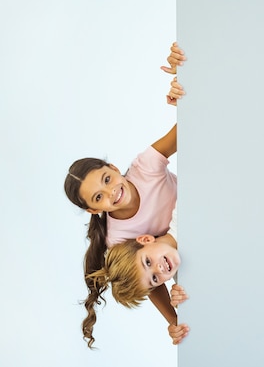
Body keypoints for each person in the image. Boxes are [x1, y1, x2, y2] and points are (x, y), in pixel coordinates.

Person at [64, 42, 189, 348]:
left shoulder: (145, 166)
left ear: (115, 168)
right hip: (182, 245)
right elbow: (147, 281)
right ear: (96, 211)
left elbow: (186, 129)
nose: (111, 193)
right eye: (98, 199)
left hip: (193, 210)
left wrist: (183, 89)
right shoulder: (117, 239)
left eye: (106, 179)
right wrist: (174, 321)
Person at [86, 204, 189, 339]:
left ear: (145, 240)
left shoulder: (182, 214)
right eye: (154, 278)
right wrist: (185, 305)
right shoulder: (184, 280)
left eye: (147, 262)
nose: (158, 269)